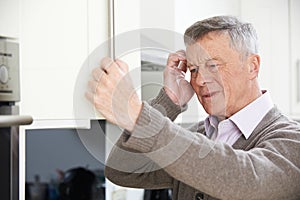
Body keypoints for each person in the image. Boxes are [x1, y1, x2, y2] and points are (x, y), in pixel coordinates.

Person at [86, 16, 300, 200]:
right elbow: (124, 170)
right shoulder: (200, 134)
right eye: (194, 69)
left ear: (252, 66)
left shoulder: (291, 140)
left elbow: (245, 178)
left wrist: (136, 114)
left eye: (213, 66)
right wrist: (168, 102)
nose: (200, 80)